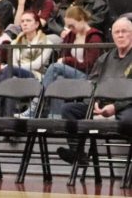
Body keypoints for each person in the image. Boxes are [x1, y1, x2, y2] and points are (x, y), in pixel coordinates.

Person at [56, 16, 132, 164]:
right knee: (69, 110)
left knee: (128, 120)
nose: (121, 35)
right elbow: (92, 84)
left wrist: (115, 108)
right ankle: (78, 153)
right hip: (102, 104)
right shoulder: (104, 59)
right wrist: (94, 102)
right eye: (117, 32)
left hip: (127, 105)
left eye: (125, 31)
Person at [20, 4, 104, 118]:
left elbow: (89, 64)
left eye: (72, 25)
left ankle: (35, 104)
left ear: (82, 20)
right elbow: (62, 53)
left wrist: (67, 60)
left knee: (55, 67)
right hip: (72, 73)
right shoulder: (71, 35)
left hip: (87, 76)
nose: (70, 29)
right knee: (58, 79)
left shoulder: (94, 37)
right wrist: (65, 54)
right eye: (68, 26)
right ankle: (55, 117)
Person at [0, 11, 52, 81]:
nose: (25, 23)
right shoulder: (15, 42)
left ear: (36, 24)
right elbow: (14, 62)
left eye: (28, 21)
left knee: (8, 69)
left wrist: (16, 67)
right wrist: (14, 67)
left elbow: (37, 65)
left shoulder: (47, 43)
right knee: (6, 72)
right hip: (16, 71)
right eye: (22, 21)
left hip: (36, 74)